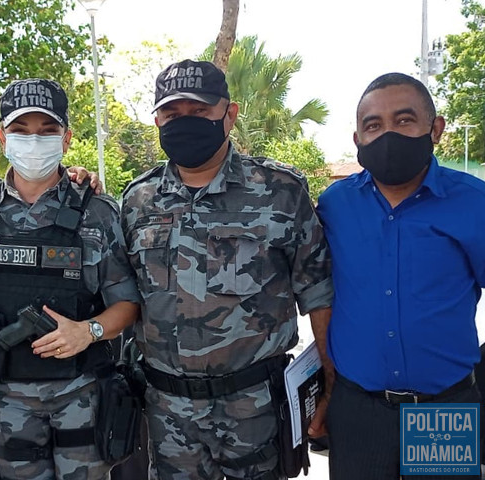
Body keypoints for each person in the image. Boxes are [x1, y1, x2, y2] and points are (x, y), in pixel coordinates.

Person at [120, 59, 333, 480]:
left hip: (254, 410)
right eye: (171, 113)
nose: (185, 123)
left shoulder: (280, 192)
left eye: (199, 111)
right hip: (167, 413)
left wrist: (329, 383)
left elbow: (318, 294)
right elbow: (122, 296)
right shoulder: (137, 201)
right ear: (157, 119)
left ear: (229, 114)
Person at [0, 77, 140, 480]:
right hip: (5, 403)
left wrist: (88, 330)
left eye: (47, 131)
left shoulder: (97, 211)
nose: (33, 141)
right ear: (2, 138)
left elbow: (127, 303)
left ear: (67, 138)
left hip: (83, 397)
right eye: (20, 131)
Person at [313, 72, 485, 480]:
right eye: (373, 125)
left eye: (404, 120)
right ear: (357, 140)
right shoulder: (335, 205)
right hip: (359, 409)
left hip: (445, 410)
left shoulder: (474, 204)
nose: (387, 134)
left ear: (435, 129)